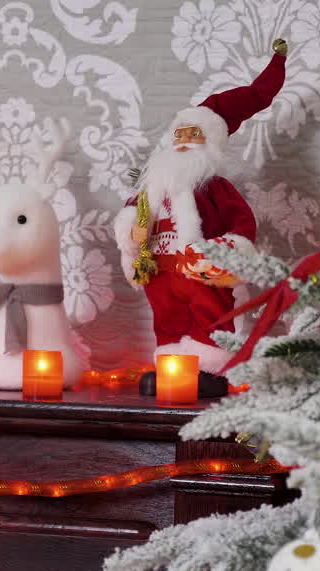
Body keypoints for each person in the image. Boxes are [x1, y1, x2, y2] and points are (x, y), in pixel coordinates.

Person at [114, 39, 289, 397]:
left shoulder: (215, 188)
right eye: (178, 134)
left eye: (193, 135)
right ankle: (170, 365)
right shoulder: (153, 187)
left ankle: (209, 367)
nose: (183, 142)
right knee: (167, 317)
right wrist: (131, 233)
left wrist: (224, 251)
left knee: (210, 314)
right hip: (160, 271)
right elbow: (133, 214)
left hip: (199, 273)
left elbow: (242, 225)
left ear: (209, 144)